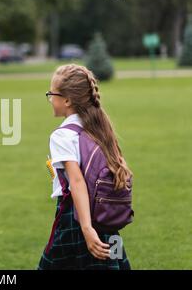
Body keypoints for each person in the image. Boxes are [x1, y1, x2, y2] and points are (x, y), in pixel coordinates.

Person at [38, 64, 131, 270]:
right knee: (112, 264)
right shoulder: (99, 128)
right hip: (106, 218)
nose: (50, 99)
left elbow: (77, 182)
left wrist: (87, 229)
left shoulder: (62, 135)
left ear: (68, 100)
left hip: (77, 217)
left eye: (52, 94)